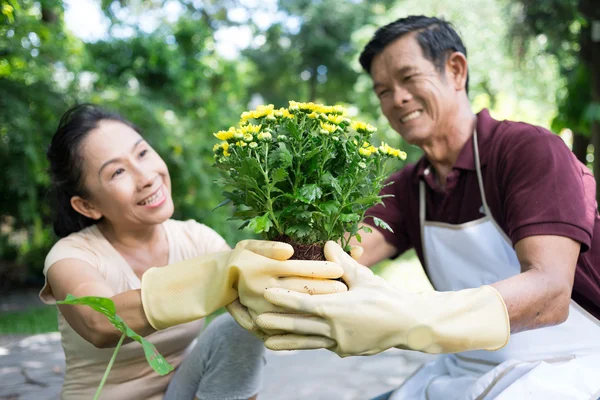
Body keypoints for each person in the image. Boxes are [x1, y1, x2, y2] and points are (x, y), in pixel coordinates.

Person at [239, 16, 600, 399]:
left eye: (409, 78)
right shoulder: (411, 188)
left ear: (456, 70)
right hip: (467, 367)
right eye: (383, 91)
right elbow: (338, 260)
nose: (397, 98)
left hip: (569, 364)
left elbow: (549, 292)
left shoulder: (527, 151)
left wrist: (408, 316)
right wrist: (270, 276)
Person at [40, 104, 346, 400]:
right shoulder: (70, 256)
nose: (147, 177)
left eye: (143, 153)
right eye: (118, 172)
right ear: (87, 205)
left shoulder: (194, 237)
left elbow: (259, 297)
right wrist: (222, 277)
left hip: (183, 391)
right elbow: (100, 321)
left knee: (235, 330)